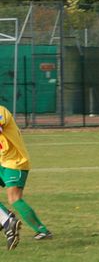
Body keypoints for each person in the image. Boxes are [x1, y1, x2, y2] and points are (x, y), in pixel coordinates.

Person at [0, 104, 51, 247]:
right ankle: (4, 219)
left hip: (16, 162)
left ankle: (42, 230)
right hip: (3, 162)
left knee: (14, 198)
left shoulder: (1, 111)